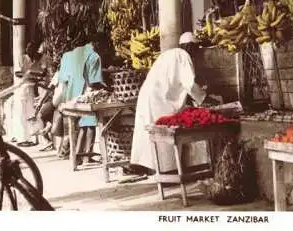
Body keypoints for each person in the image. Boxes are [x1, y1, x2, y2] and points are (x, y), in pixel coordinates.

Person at [130, 32, 219, 177]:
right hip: (158, 99)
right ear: (192, 47)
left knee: (149, 133)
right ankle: (166, 170)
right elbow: (189, 85)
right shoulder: (184, 56)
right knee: (161, 134)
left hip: (149, 94)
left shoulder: (168, 54)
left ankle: (151, 169)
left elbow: (175, 82)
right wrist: (205, 98)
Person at [56, 32, 109, 165]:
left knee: (78, 127)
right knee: (90, 125)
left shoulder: (68, 55)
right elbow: (93, 82)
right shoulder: (94, 56)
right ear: (98, 43)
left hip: (70, 97)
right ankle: (87, 156)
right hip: (86, 96)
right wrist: (108, 89)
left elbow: (63, 78)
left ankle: (76, 156)